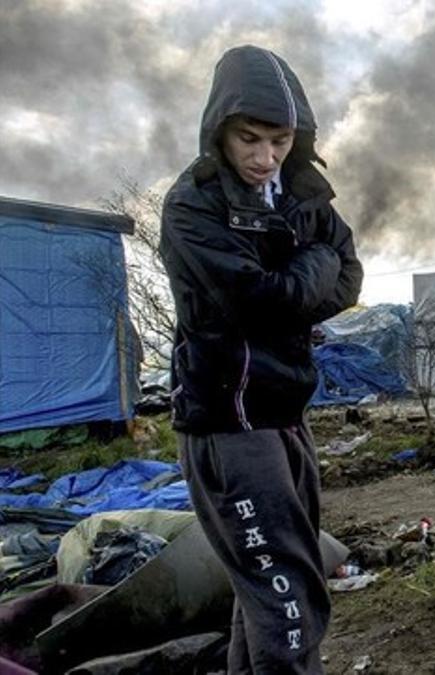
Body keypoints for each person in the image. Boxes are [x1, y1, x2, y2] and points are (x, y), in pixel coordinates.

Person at [159, 45, 362, 674]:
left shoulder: (303, 194)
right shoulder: (193, 207)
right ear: (220, 127)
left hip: (286, 414)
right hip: (228, 422)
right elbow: (259, 300)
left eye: (279, 140)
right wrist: (313, 266)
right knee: (289, 599)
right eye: (250, 138)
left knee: (268, 590)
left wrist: (306, 277)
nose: (264, 156)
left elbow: (349, 280)